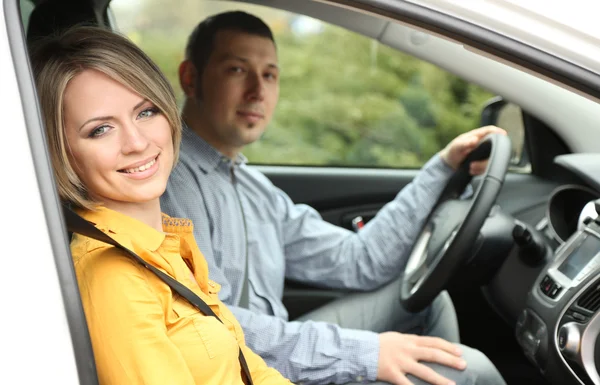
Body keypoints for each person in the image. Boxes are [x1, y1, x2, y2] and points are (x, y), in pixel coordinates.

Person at [161, 11, 507, 385]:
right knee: (473, 372)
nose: (258, 91)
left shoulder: (254, 189)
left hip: (273, 349)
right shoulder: (169, 183)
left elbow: (358, 260)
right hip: (242, 371)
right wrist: (365, 353)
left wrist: (441, 167)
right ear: (191, 78)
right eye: (237, 70)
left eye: (270, 75)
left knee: (424, 299)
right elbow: (212, 330)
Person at [29, 25, 292, 385]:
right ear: (62, 153)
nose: (137, 142)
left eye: (146, 112)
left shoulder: (166, 242)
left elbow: (248, 367)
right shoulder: (113, 276)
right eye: (100, 130)